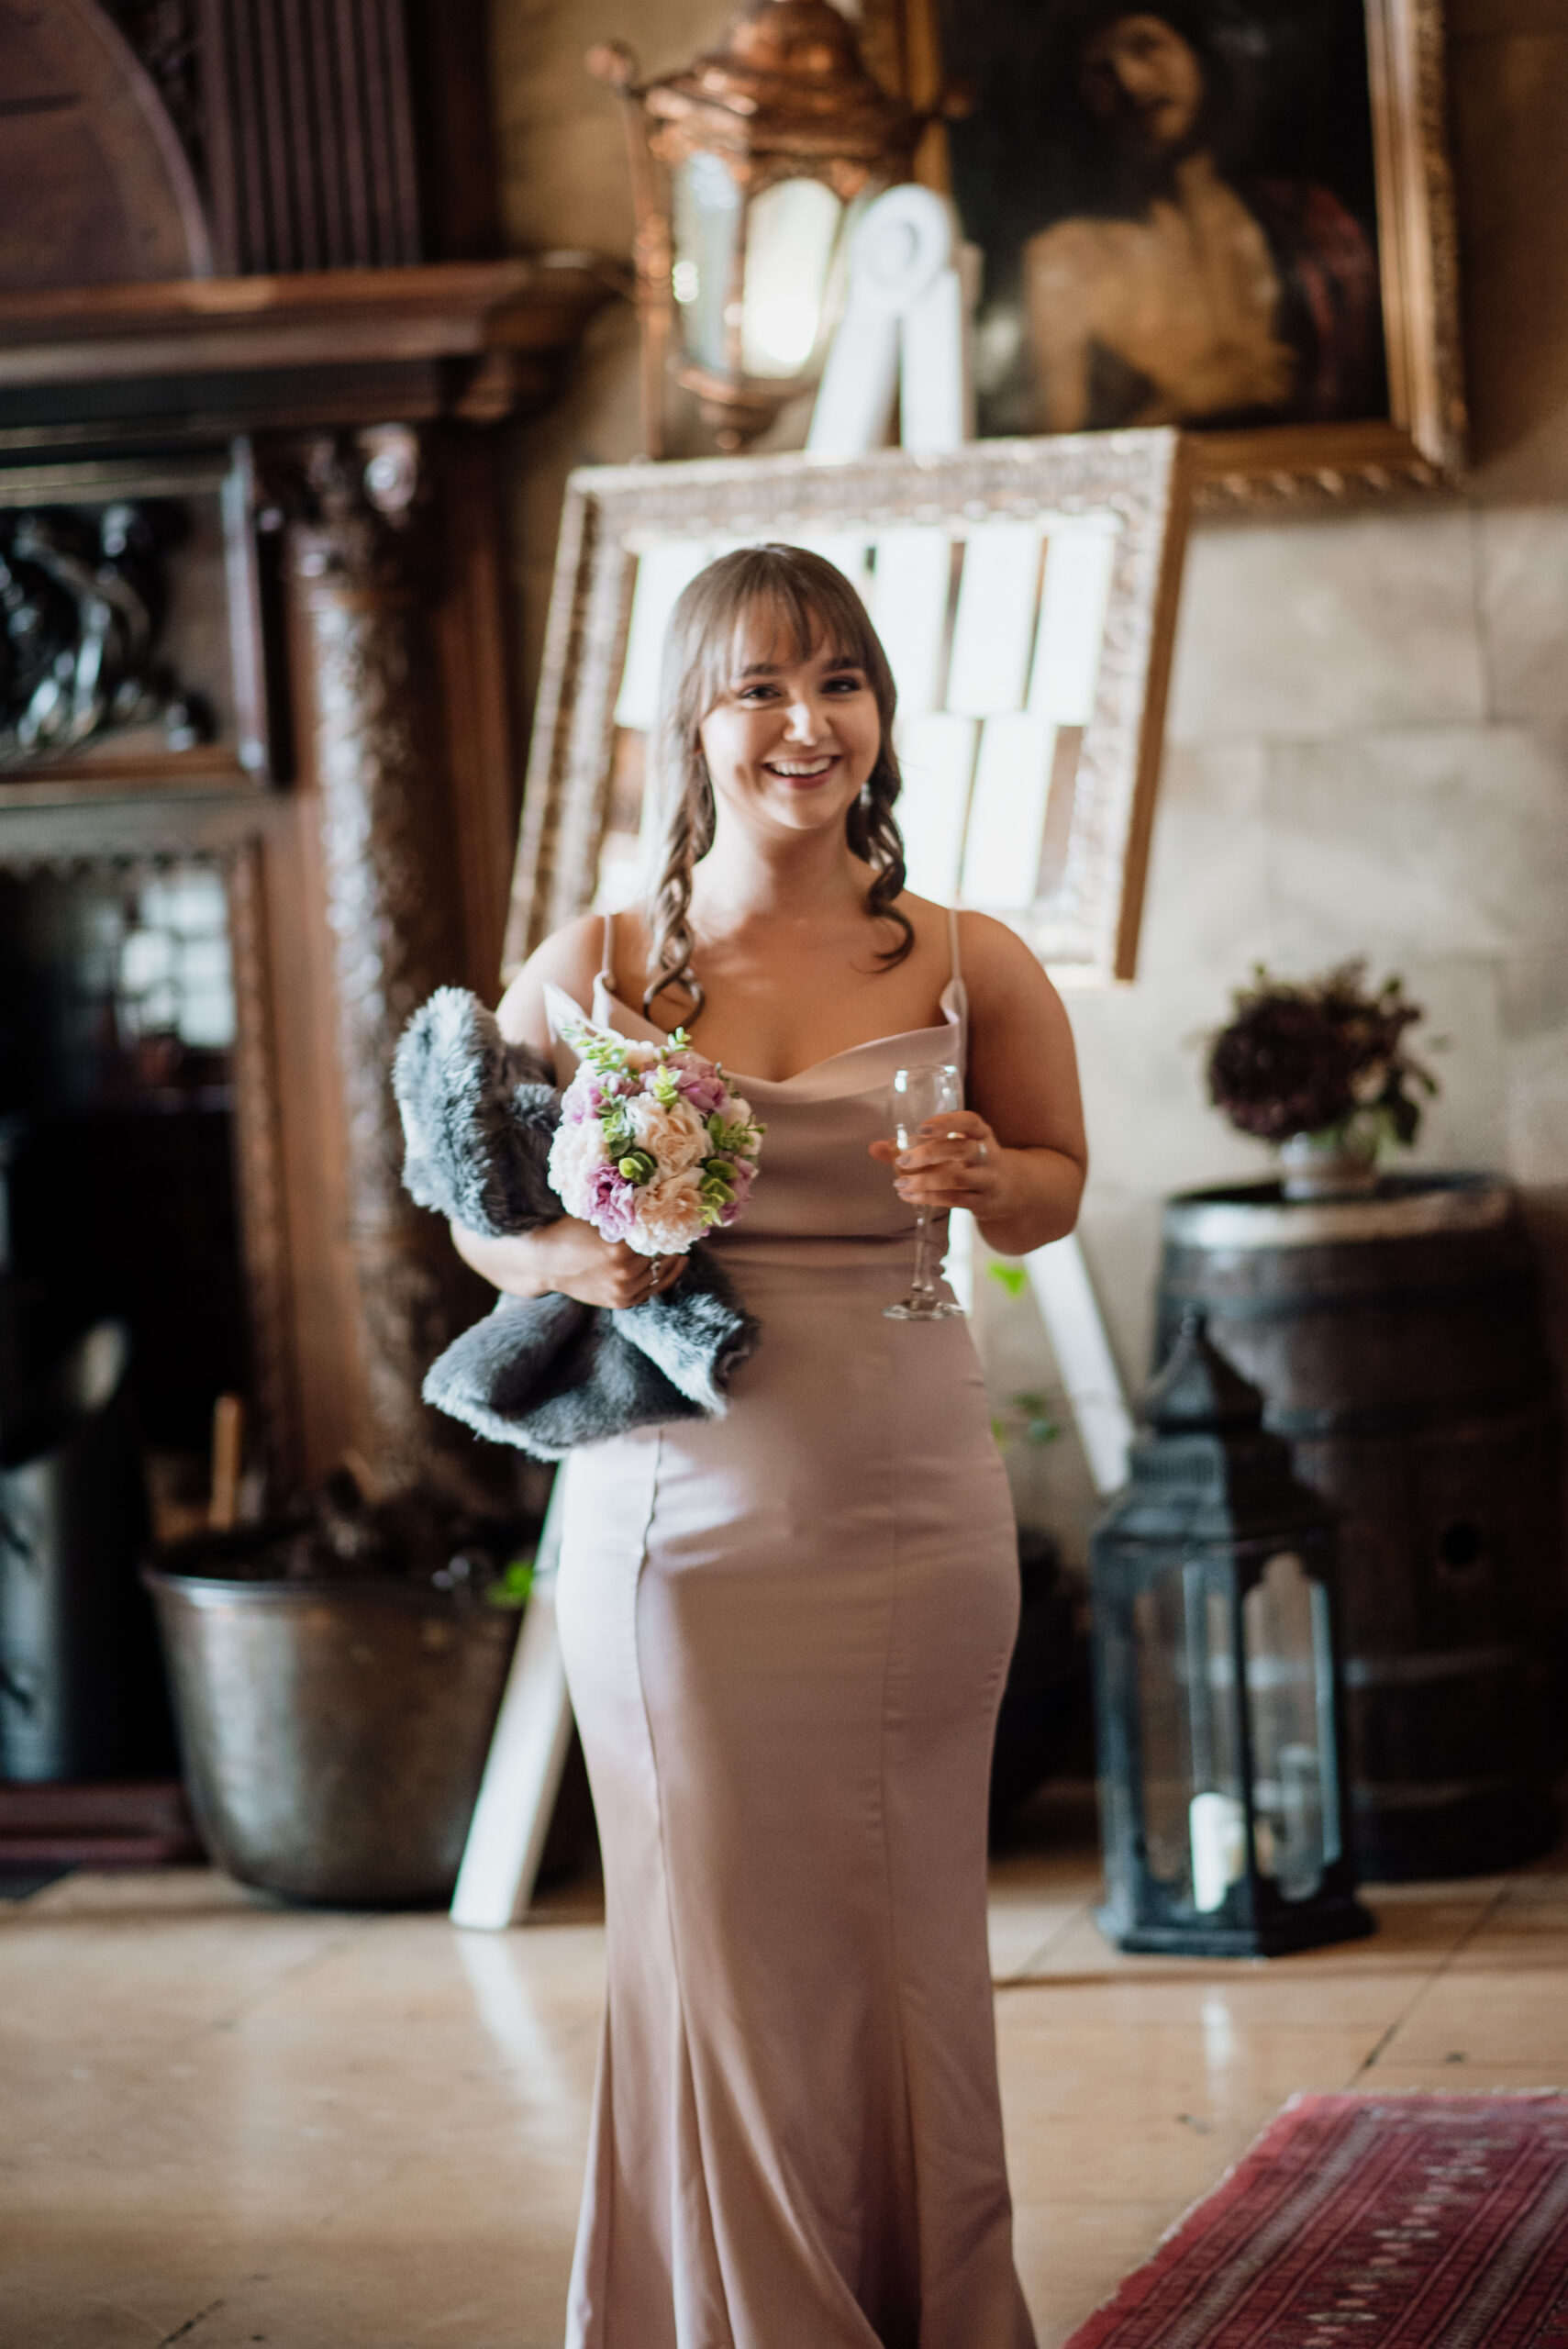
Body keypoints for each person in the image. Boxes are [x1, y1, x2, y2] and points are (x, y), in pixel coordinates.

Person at [450, 544, 1087, 2349]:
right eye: (758, 686)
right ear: (691, 718)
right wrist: (575, 1250)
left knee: (905, 1945)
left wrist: (989, 1176)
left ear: (877, 716)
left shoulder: (971, 960)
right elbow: (484, 1214)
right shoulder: (596, 964)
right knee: (715, 1942)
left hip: (911, 1509)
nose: (804, 724)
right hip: (673, 1522)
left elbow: (1051, 1188)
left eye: (838, 684)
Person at [1010, 3, 1381, 431]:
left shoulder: (1313, 222)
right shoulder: (1063, 258)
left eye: (1146, 46)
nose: (1132, 82)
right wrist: (1187, 403)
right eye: (1101, 72)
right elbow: (1053, 471)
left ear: (1199, 54)